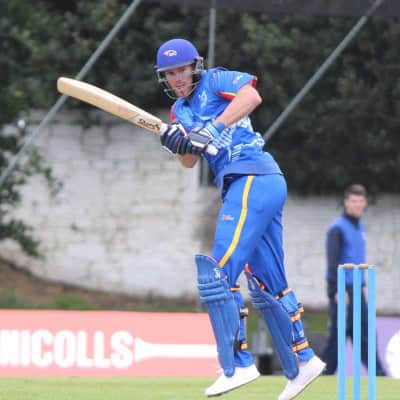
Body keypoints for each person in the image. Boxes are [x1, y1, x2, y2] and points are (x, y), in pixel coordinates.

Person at [155, 38, 325, 400]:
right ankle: (303, 361)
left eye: (181, 70)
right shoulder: (179, 111)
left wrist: (213, 129)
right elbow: (189, 159)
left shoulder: (216, 80)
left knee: (217, 273)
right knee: (267, 282)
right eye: (169, 74)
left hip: (251, 175)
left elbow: (251, 97)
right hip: (251, 183)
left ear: (194, 67)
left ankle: (237, 364)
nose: (177, 78)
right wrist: (176, 144)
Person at [321, 184, 386, 376]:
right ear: (346, 202)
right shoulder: (337, 228)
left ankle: (378, 372)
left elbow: (358, 259)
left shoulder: (360, 227)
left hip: (358, 287)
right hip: (343, 288)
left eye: (360, 201)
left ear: (365, 203)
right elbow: (333, 261)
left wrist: (364, 284)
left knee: (365, 331)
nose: (357, 205)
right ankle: (324, 372)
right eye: (353, 201)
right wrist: (336, 290)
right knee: (339, 333)